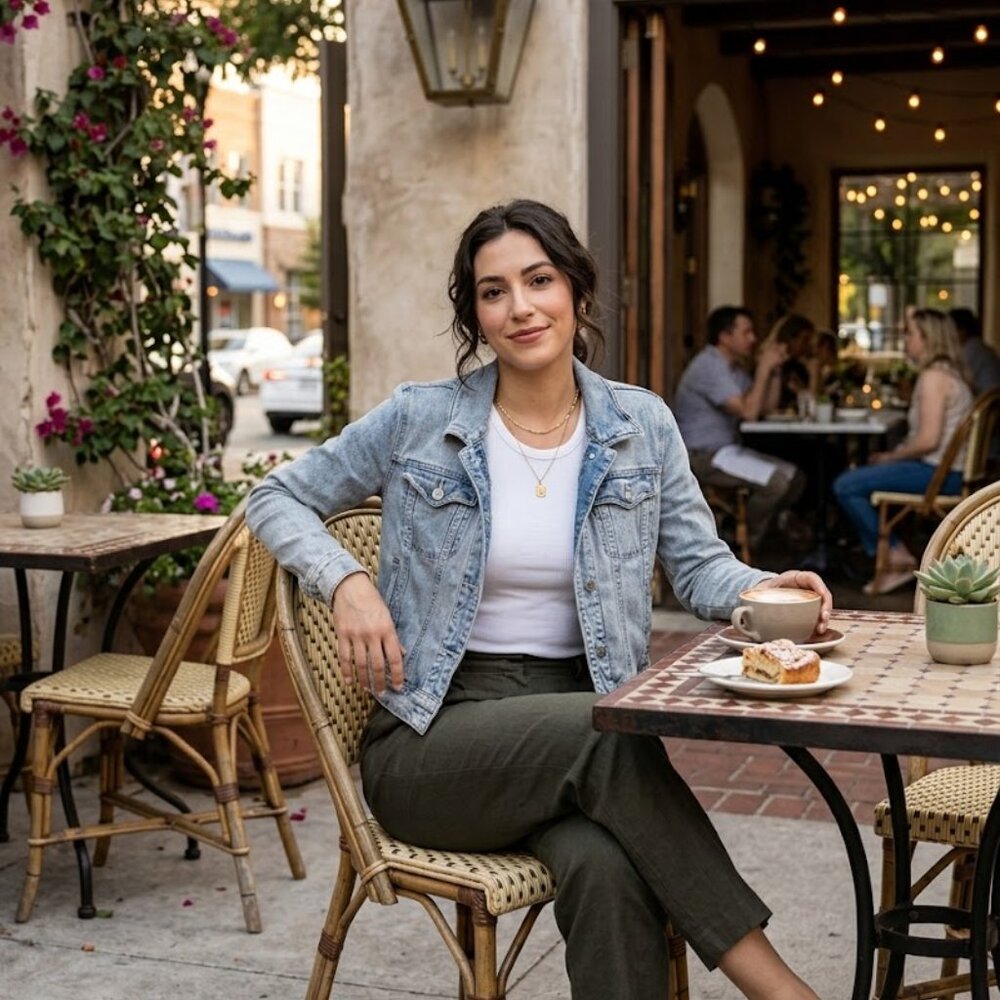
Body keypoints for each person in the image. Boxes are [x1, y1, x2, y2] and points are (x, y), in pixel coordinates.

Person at [247, 200, 828, 1000]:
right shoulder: (422, 419)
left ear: (576, 293)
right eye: (493, 292)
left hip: (571, 726)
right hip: (433, 737)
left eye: (538, 280)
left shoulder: (640, 424)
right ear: (475, 316)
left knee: (608, 866)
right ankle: (783, 991)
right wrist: (345, 582)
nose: (519, 307)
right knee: (614, 735)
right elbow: (276, 497)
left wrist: (763, 587)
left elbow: (698, 569)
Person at [833, 308, 973, 595]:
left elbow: (927, 441)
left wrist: (889, 457)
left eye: (910, 333)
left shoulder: (934, 377)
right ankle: (891, 554)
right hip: (949, 472)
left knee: (846, 484)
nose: (904, 340)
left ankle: (894, 556)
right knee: (860, 476)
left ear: (928, 338)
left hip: (937, 475)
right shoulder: (949, 374)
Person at [674, 306, 806, 551]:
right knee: (777, 482)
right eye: (747, 333)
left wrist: (773, 372)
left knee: (794, 477)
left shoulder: (733, 368)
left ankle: (750, 531)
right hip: (703, 456)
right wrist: (763, 368)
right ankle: (742, 542)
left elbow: (763, 407)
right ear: (725, 337)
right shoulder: (709, 365)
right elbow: (748, 411)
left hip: (727, 451)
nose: (753, 339)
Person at [949, 307, 1000, 396]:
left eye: (952, 330)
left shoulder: (972, 349)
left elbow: (958, 381)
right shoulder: (978, 346)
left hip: (988, 404)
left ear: (963, 330)